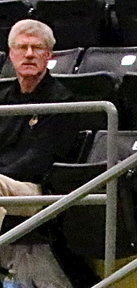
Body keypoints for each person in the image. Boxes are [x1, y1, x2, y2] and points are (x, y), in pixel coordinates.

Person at [0, 20, 80, 231]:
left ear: (49, 55)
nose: (28, 54)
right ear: (11, 54)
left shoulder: (63, 101)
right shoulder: (3, 98)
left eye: (36, 48)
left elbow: (39, 161)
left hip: (38, 189)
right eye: (21, 47)